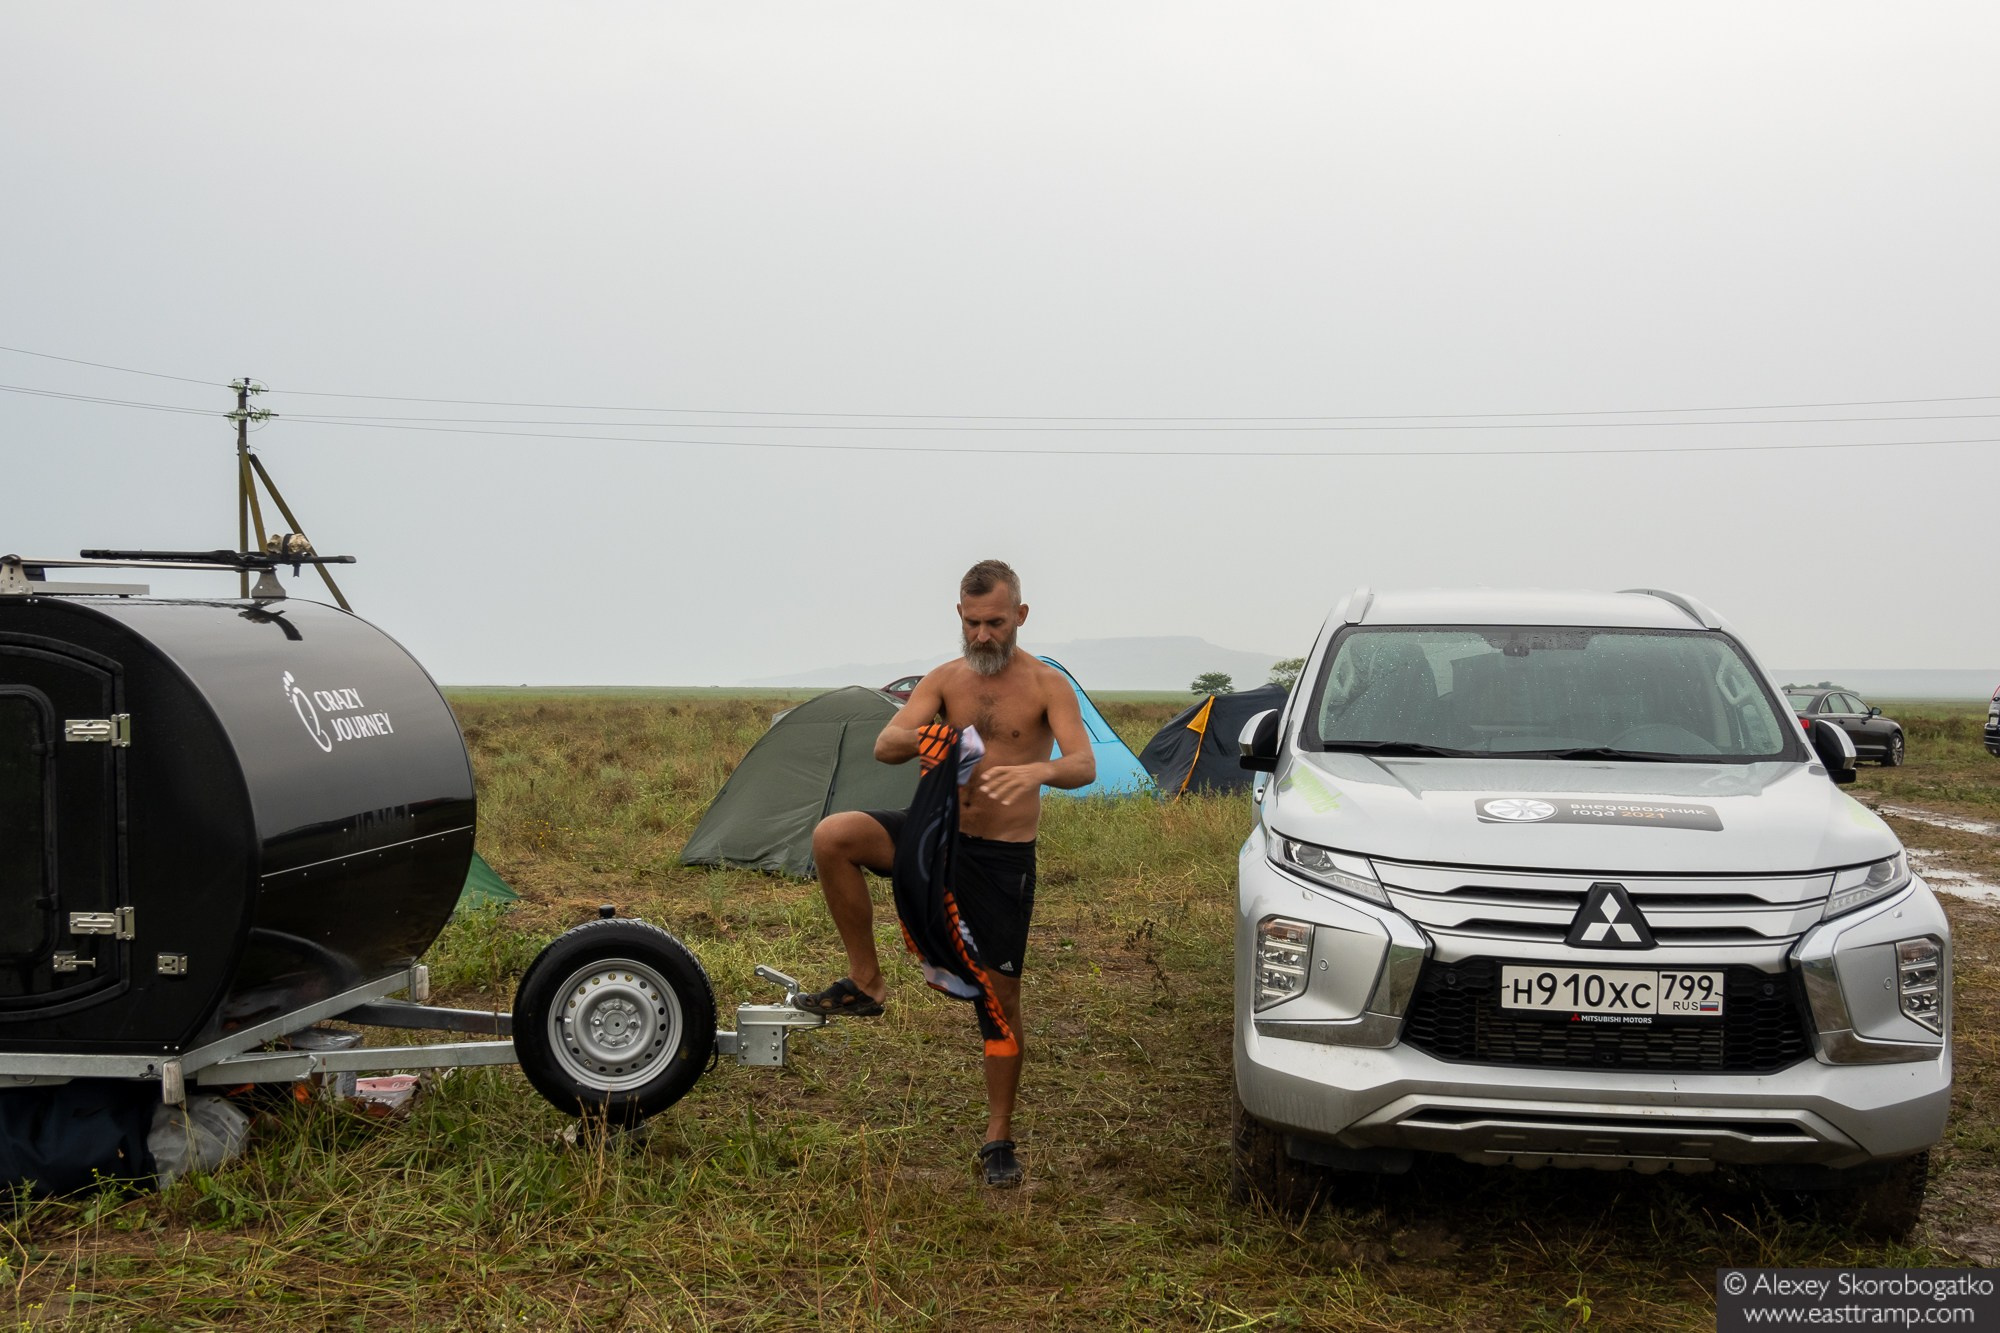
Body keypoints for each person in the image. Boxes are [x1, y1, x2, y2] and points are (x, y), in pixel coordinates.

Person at [793, 559, 1095, 1187]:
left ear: (1021, 616)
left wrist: (1036, 772)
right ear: (959, 616)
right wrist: (941, 736)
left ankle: (998, 1140)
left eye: (996, 622)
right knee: (834, 836)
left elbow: (1083, 764)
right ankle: (866, 981)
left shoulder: (1045, 685)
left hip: (999, 858)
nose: (984, 636)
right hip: (934, 836)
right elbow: (886, 743)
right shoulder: (944, 680)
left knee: (1000, 998)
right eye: (974, 623)